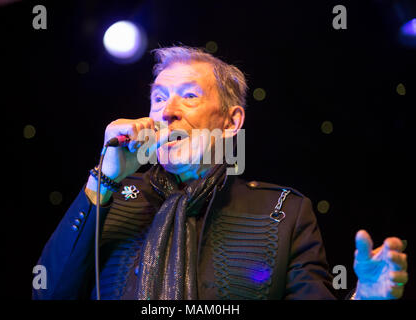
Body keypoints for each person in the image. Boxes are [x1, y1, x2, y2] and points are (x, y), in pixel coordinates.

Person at [33, 46, 408, 300]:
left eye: (189, 96)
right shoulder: (111, 197)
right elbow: (47, 292)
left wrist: (365, 299)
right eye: (159, 97)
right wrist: (104, 177)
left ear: (231, 121)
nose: (167, 111)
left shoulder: (284, 211)